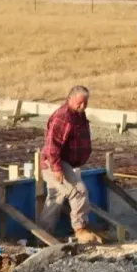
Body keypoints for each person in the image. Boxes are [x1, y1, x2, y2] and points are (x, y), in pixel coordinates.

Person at [40, 85, 102, 245]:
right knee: (78, 191)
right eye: (80, 103)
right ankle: (80, 229)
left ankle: (43, 237)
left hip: (63, 162)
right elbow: (51, 146)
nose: (83, 106)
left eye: (85, 103)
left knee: (56, 197)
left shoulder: (78, 114)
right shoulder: (63, 117)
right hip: (54, 162)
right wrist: (57, 168)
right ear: (70, 99)